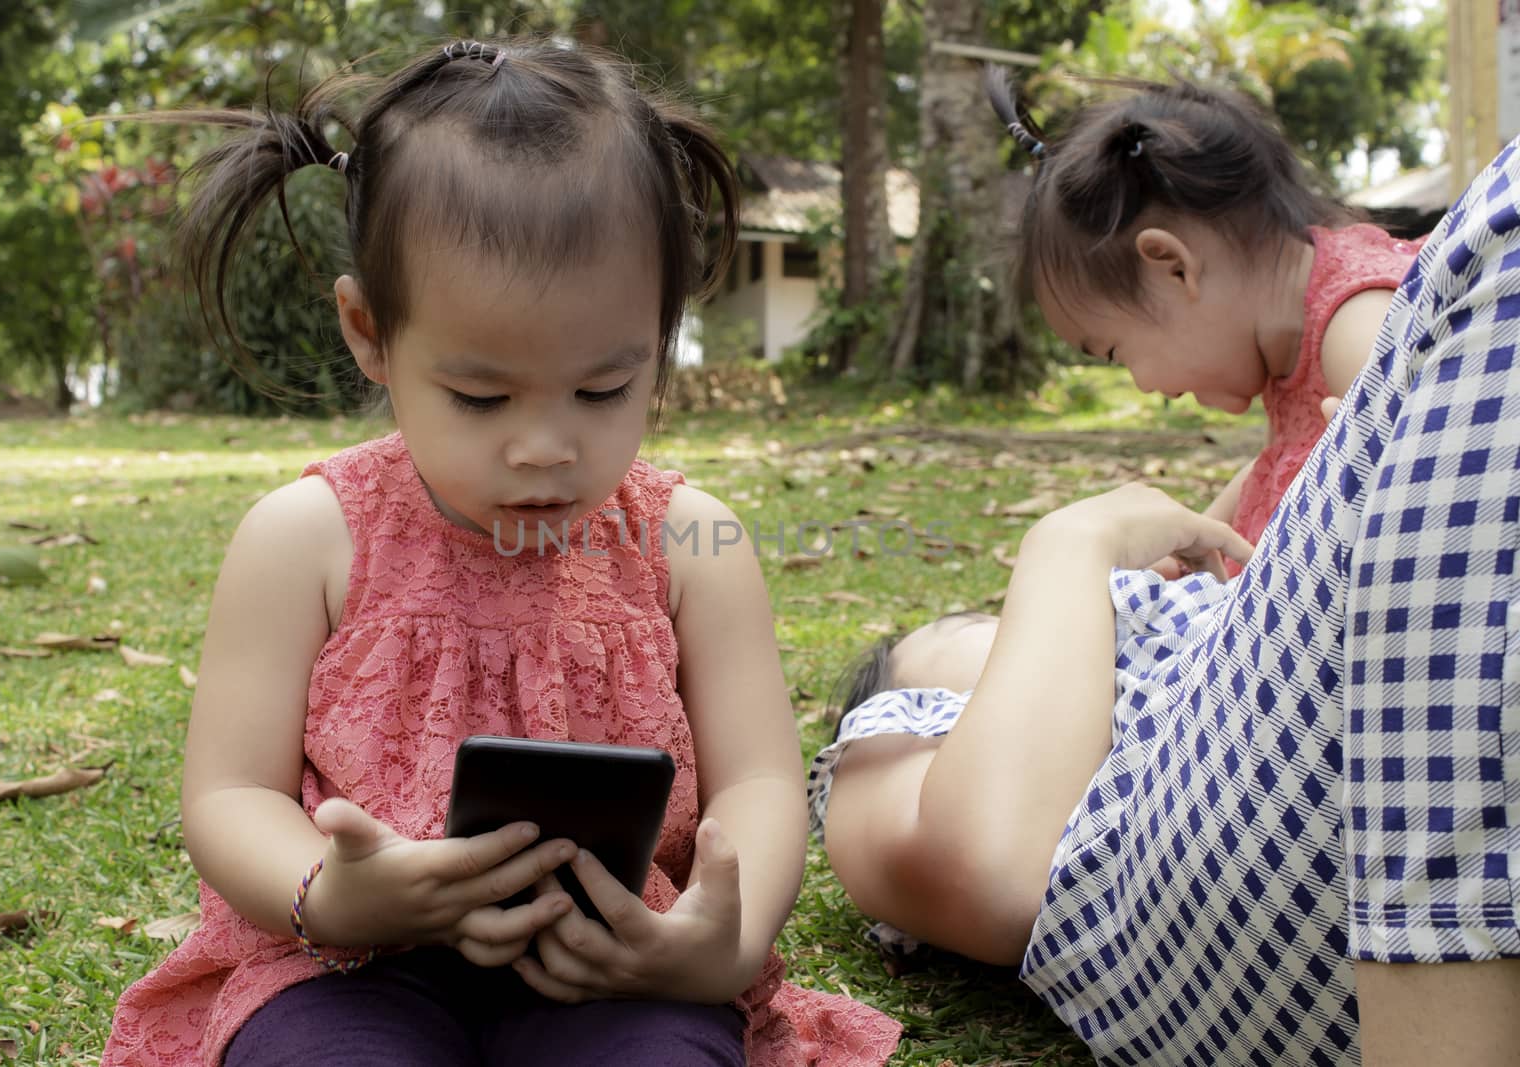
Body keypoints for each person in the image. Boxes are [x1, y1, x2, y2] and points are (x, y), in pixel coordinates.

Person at [100, 38, 901, 1067]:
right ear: (370, 333)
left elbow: (758, 783)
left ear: (659, 339)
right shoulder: (306, 538)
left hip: (614, 957)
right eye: (480, 396)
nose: (545, 445)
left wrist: (720, 940)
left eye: (604, 389)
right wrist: (329, 892)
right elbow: (229, 793)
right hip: (347, 964)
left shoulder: (692, 542)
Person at [811, 139, 1520, 1064]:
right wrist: (1069, 543)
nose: (1070, 623)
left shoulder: (1347, 315)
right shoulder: (887, 741)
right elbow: (990, 861)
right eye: (992, 624)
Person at [985, 69, 1425, 575]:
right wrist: (1192, 549)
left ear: (1173, 266)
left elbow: (1418, 521)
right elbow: (1287, 461)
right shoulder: (1293, 342)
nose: (1145, 385)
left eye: (1114, 352)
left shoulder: (1358, 330)